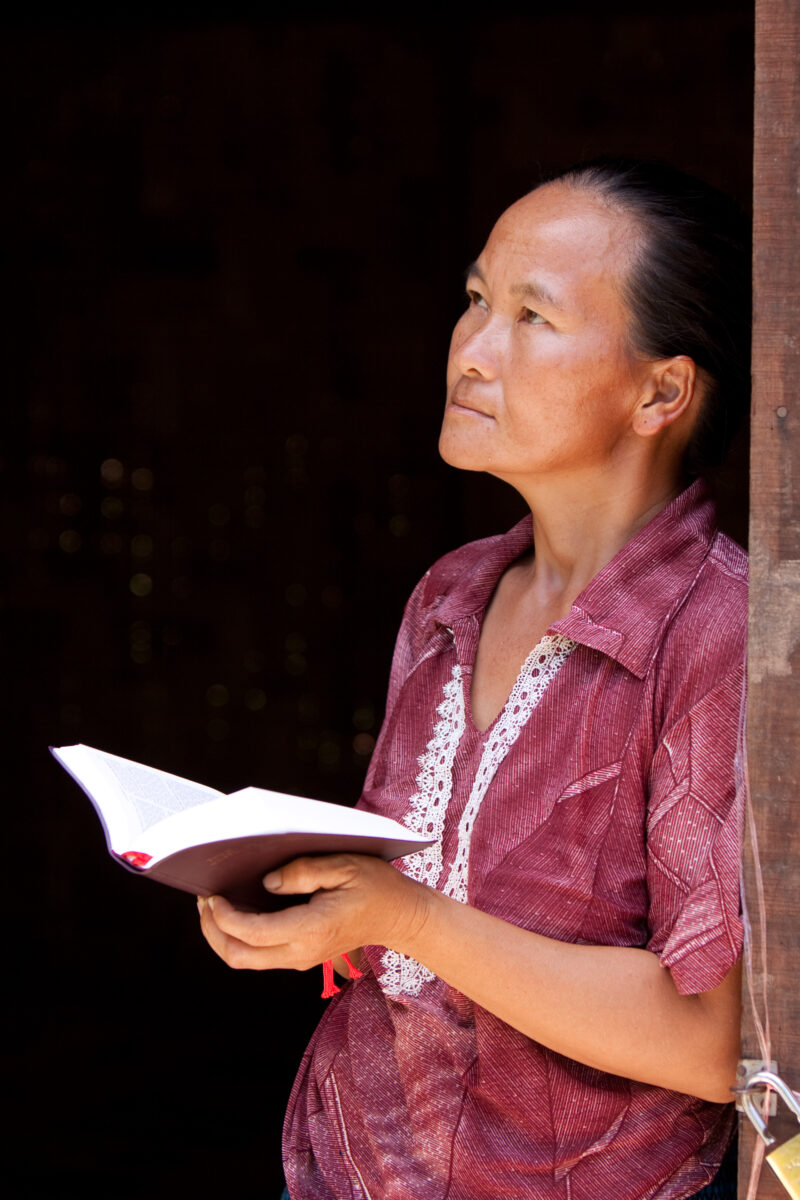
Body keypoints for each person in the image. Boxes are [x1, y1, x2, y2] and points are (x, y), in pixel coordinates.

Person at [198, 158, 750, 1200]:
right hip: (342, 1167)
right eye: (474, 301)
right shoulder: (450, 595)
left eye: (532, 318)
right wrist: (302, 910)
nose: (472, 350)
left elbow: (708, 1045)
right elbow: (395, 934)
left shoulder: (722, 630)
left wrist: (398, 916)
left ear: (660, 391)